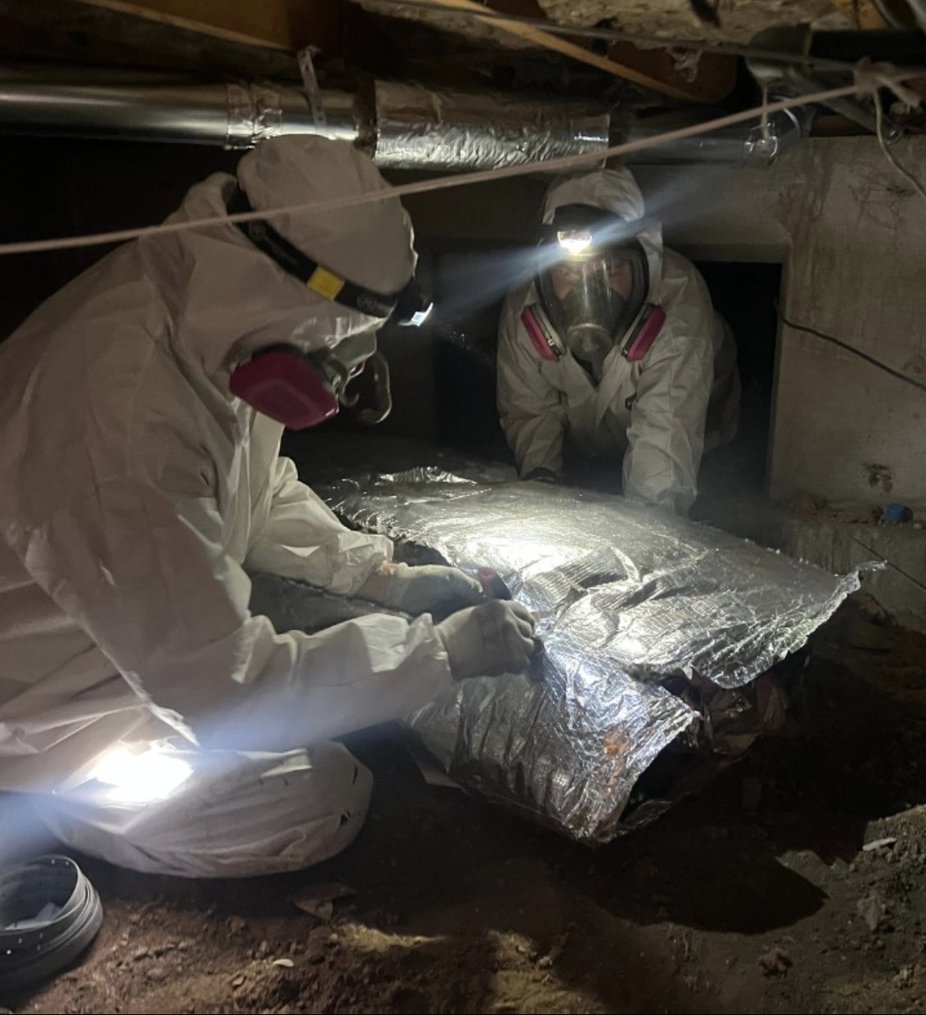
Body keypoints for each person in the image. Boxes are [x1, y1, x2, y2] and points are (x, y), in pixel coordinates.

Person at [0, 136, 536, 878]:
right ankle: (62, 802)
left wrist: (381, 577)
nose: (345, 383)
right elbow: (226, 691)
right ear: (296, 306)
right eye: (341, 356)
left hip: (114, 629)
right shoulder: (123, 427)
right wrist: (441, 653)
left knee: (321, 694)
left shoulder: (209, 311)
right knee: (322, 794)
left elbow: (253, 490)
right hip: (37, 702)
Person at [496, 167, 739, 515]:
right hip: (590, 447)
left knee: (692, 517)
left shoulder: (677, 305)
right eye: (567, 272)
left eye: (610, 271)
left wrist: (647, 538)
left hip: (698, 444)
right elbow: (530, 412)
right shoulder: (526, 307)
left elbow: (664, 453)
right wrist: (542, 485)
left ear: (641, 262)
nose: (588, 295)